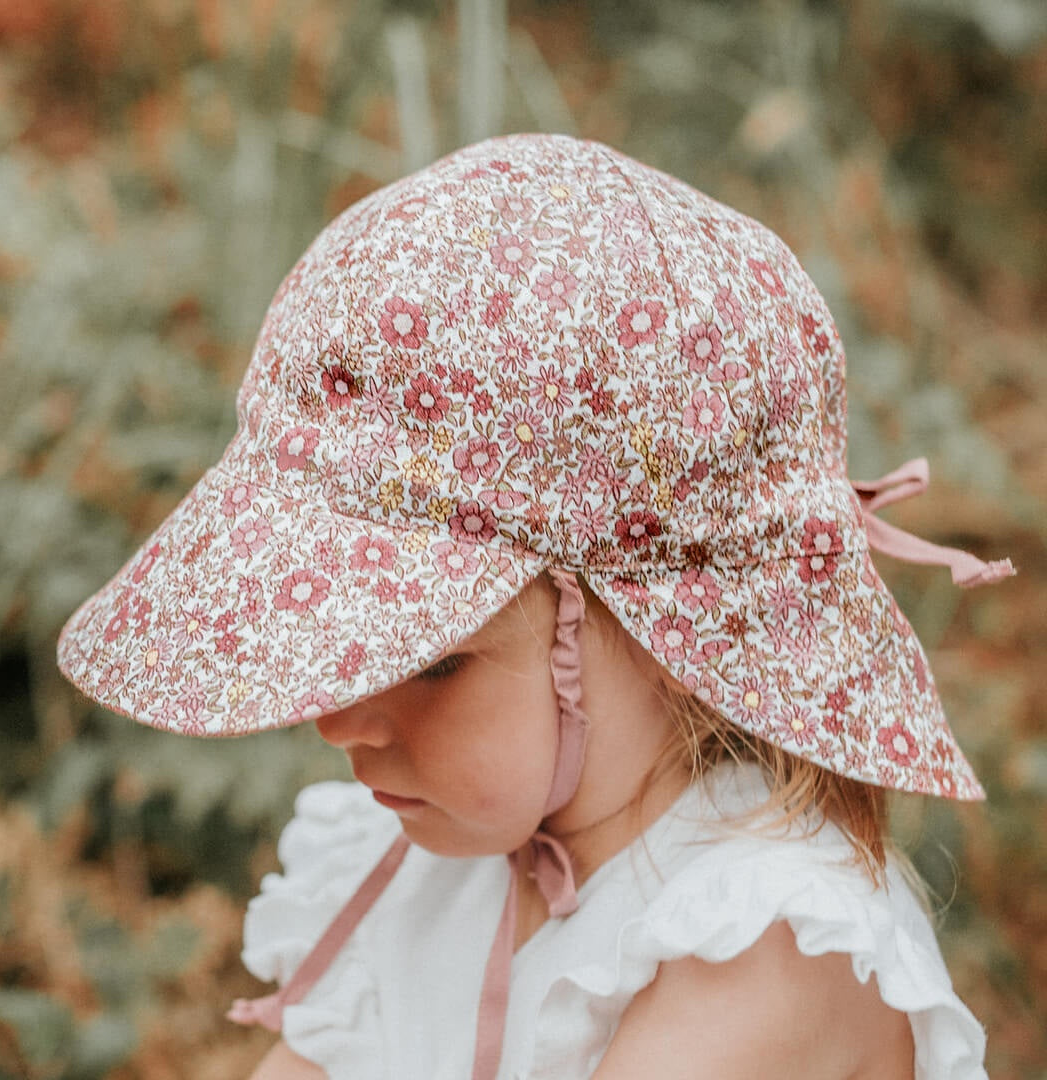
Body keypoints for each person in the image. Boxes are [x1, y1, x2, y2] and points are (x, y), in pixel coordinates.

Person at [57, 133, 1012, 1078]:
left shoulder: (764, 950)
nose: (337, 720)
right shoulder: (432, 872)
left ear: (661, 621)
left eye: (435, 660)